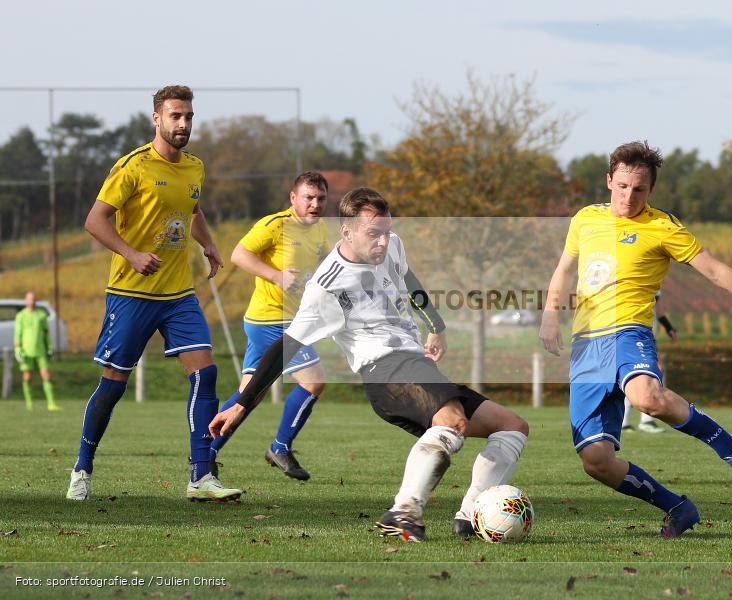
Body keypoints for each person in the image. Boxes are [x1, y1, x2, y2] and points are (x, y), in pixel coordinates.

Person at [210, 187, 529, 542]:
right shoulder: (327, 285)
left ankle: (469, 515)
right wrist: (241, 402)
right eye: (373, 234)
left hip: (414, 363)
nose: (383, 241)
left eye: (387, 231)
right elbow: (286, 345)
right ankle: (403, 513)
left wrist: (435, 325)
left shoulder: (392, 245)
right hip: (385, 371)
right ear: (346, 232)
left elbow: (409, 280)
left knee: (512, 427)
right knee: (451, 420)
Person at [539, 141, 732, 538]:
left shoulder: (663, 227)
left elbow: (715, 271)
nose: (630, 196)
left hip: (628, 330)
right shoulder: (584, 220)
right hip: (586, 345)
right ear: (609, 181)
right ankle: (677, 508)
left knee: (647, 398)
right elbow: (563, 270)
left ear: (651, 190)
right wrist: (549, 316)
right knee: (596, 461)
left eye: (640, 189)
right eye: (623, 185)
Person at [66, 85, 241, 503]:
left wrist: (209, 244)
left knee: (206, 374)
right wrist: (131, 253)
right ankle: (82, 467)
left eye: (189, 117)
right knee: (113, 384)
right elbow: (95, 221)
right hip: (131, 293)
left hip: (178, 293)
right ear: (156, 119)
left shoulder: (195, 167)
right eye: (175, 116)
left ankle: (201, 476)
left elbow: (192, 210)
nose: (183, 124)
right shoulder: (132, 167)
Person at [208, 172, 330, 481]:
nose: (315, 204)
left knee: (251, 392)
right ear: (293, 198)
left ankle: (205, 451)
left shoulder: (322, 229)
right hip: (272, 319)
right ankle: (280, 447)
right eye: (309, 197)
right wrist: (276, 276)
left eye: (321, 199)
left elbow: (329, 264)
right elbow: (238, 254)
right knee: (314, 381)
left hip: (291, 319)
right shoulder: (274, 225)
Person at [622, 293, 675, 434]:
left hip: (639, 336)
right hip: (636, 337)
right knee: (649, 377)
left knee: (632, 378)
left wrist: (668, 326)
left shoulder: (652, 281)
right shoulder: (634, 284)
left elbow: (658, 310)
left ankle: (624, 422)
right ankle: (646, 421)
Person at [14, 291, 61, 412]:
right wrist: (18, 348)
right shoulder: (21, 316)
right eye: (29, 299)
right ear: (26, 301)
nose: (31, 301)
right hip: (27, 352)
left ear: (36, 300)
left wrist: (49, 347)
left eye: (33, 299)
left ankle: (51, 404)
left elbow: (46, 333)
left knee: (46, 375)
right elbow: (17, 334)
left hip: (40, 351)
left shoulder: (41, 315)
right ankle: (29, 403)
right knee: (27, 377)